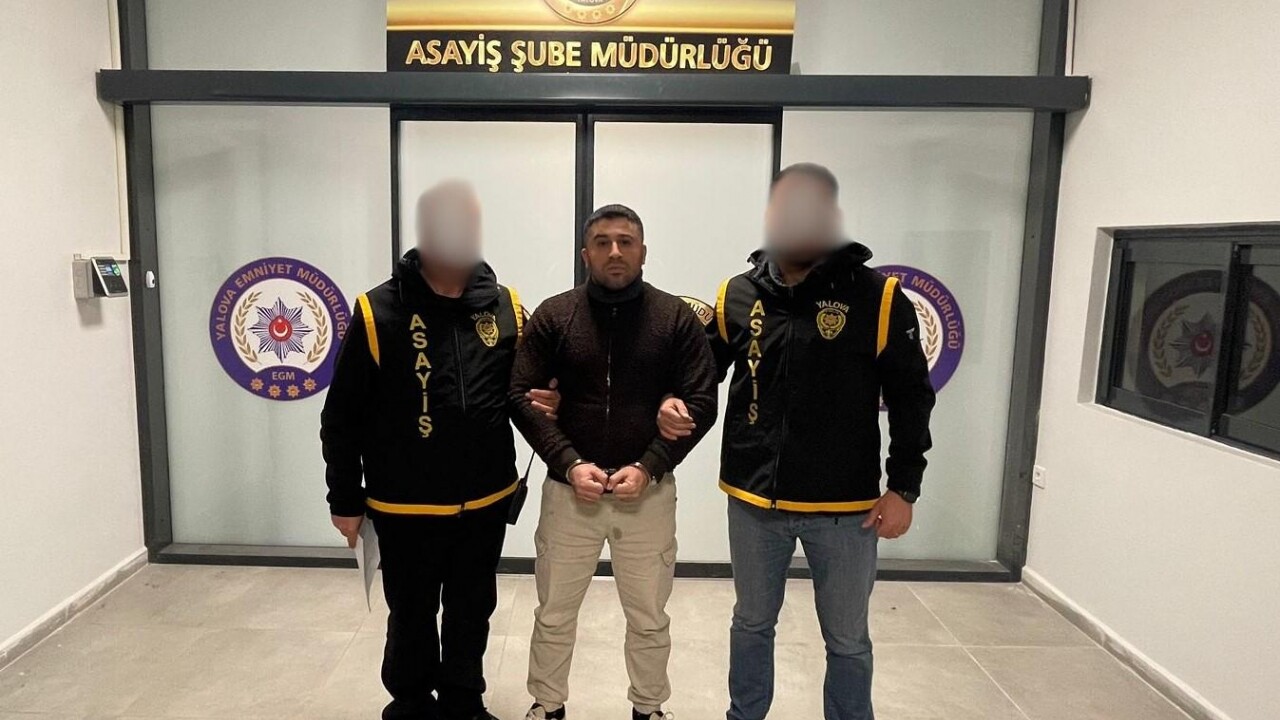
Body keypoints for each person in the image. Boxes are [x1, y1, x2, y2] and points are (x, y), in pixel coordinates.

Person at [658, 163, 936, 720]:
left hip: (846, 510)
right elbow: (701, 372)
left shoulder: (879, 298)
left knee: (847, 639)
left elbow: (911, 398)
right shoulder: (737, 293)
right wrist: (671, 398)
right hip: (754, 501)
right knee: (751, 624)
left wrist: (904, 487)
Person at [321, 181, 560, 720]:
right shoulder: (377, 311)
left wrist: (550, 397)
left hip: (486, 499)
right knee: (411, 612)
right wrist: (344, 497)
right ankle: (409, 702)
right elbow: (341, 417)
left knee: (472, 608)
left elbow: (522, 390)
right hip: (404, 503)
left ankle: (462, 701)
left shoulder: (505, 306)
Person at [509, 204, 719, 720]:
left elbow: (703, 401)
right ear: (586, 255)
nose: (615, 251)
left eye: (626, 241)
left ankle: (649, 708)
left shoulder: (675, 319)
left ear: (644, 251)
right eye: (602, 243)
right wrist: (568, 462)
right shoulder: (555, 315)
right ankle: (547, 705)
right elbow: (519, 394)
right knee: (554, 613)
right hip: (569, 494)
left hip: (647, 495)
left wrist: (650, 465)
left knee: (648, 617)